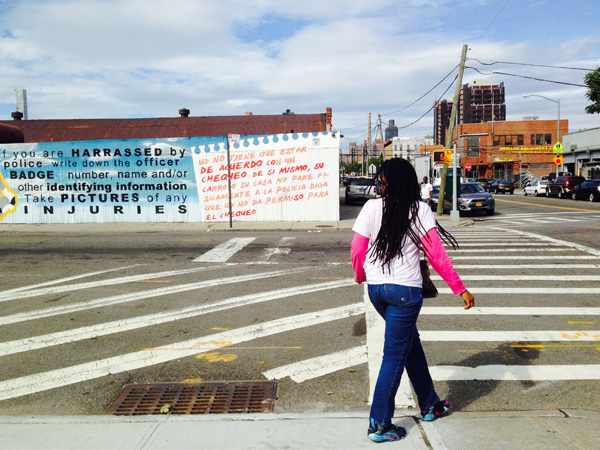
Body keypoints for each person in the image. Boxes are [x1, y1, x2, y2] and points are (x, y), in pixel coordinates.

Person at [351, 158, 475, 443]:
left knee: (410, 345)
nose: (380, 182)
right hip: (405, 293)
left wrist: (361, 275)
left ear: (388, 181)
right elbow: (436, 255)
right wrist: (460, 289)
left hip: (377, 290)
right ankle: (379, 424)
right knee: (394, 355)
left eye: (382, 178)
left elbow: (357, 249)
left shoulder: (371, 207)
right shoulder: (419, 210)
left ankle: (430, 403)